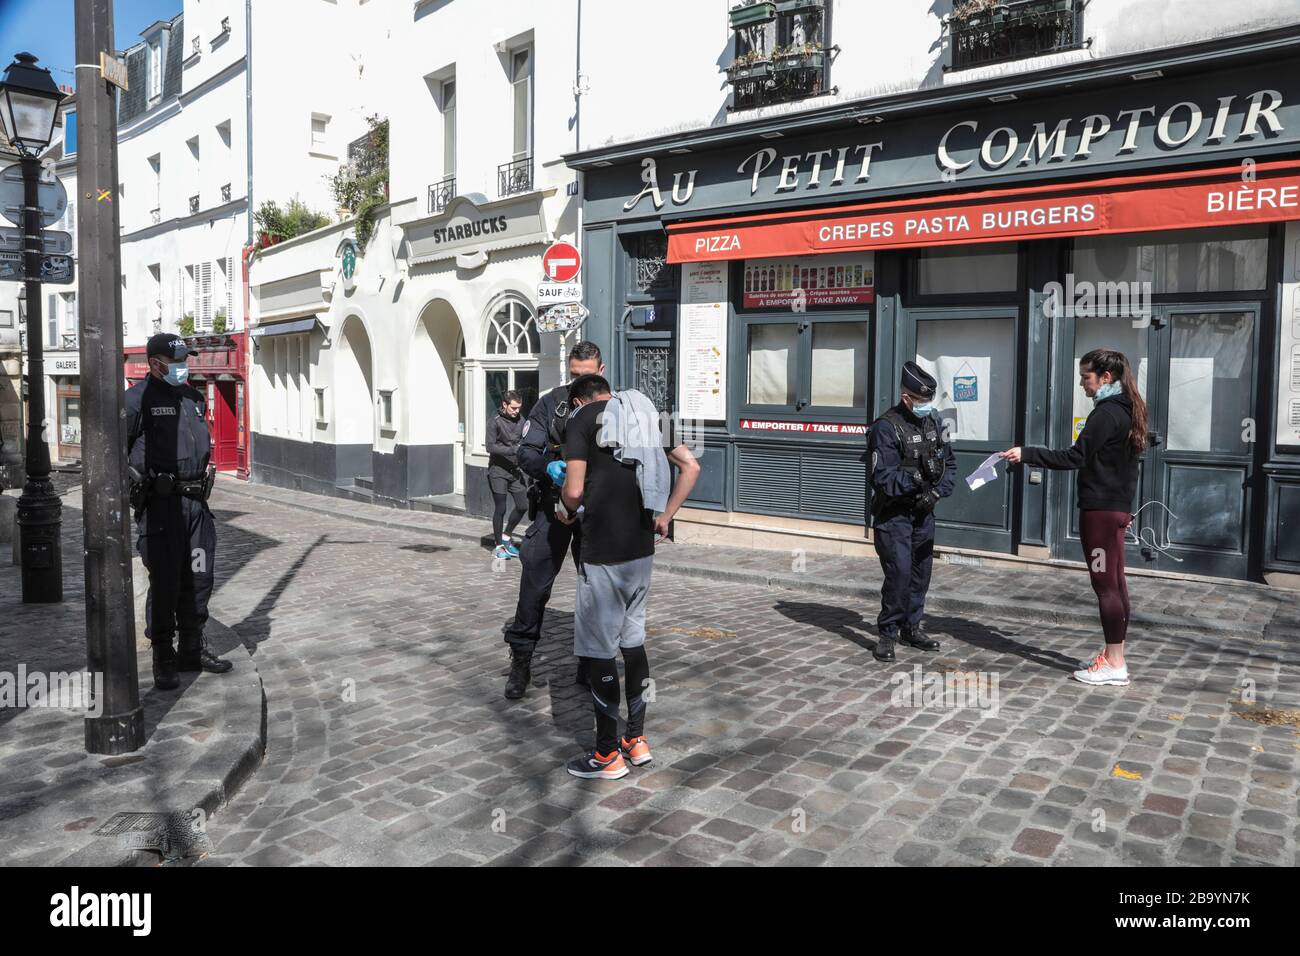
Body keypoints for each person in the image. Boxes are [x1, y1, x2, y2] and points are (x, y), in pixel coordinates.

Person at [560, 374, 700, 779]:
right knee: (633, 642)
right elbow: (691, 466)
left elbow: (572, 491)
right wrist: (666, 516)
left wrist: (564, 509)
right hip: (642, 547)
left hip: (602, 550)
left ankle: (606, 755)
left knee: (599, 650)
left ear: (578, 400)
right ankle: (635, 740)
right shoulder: (650, 415)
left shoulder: (581, 420)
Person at [1001, 348, 1145, 687]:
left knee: (1105, 586)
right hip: (1116, 508)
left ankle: (1113, 663)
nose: (1083, 384)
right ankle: (1114, 657)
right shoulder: (1128, 409)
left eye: (1086, 377)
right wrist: (1125, 507)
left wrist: (1028, 453)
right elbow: (1127, 466)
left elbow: (1075, 456)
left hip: (1100, 512)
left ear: (1105, 377)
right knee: (1117, 584)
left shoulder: (1107, 414)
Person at [126, 333, 232, 690]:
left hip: (196, 505)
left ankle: (192, 647)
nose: (183, 366)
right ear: (155, 364)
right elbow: (116, 455)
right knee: (167, 582)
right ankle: (164, 656)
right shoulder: (136, 401)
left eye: (186, 359)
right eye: (176, 361)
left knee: (199, 578)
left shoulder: (192, 397)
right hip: (162, 508)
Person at [501, 341, 605, 700]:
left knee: (595, 588)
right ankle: (522, 659)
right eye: (574, 375)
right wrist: (548, 467)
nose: (580, 383)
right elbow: (525, 451)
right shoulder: (552, 402)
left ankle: (590, 664)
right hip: (553, 507)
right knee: (534, 585)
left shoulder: (615, 406)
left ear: (601, 372)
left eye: (587, 376)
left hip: (595, 512)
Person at [868, 361, 957, 663]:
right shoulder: (886, 427)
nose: (926, 406)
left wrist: (935, 493)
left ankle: (912, 626)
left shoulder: (937, 424)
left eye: (928, 401)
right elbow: (882, 478)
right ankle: (887, 633)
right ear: (906, 397)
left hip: (924, 513)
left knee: (921, 573)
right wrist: (916, 478)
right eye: (920, 401)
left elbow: (951, 467)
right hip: (894, 516)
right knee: (900, 573)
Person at [485, 390, 528, 560]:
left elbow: (524, 440)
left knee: (522, 505)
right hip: (498, 471)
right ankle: (498, 546)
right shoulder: (494, 422)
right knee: (501, 508)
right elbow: (490, 446)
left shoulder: (522, 420)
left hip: (515, 470)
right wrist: (512, 449)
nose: (517, 411)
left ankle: (507, 536)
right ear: (505, 405)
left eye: (519, 408)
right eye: (514, 408)